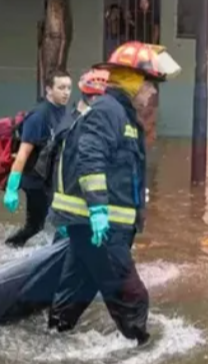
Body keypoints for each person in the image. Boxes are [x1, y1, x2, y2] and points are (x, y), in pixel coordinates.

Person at [45, 42, 181, 345]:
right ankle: (143, 352)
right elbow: (90, 155)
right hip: (99, 228)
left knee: (75, 294)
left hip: (91, 227)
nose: (153, 93)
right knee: (132, 296)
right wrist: (98, 210)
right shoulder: (110, 111)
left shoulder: (120, 112)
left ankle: (53, 339)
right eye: (150, 84)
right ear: (134, 80)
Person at [1, 69, 71, 247]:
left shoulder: (64, 111)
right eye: (61, 87)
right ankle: (10, 247)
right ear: (48, 89)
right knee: (36, 226)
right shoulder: (38, 117)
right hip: (35, 180)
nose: (66, 92)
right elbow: (23, 153)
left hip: (51, 178)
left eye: (69, 88)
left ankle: (59, 251)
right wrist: (12, 187)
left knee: (58, 220)